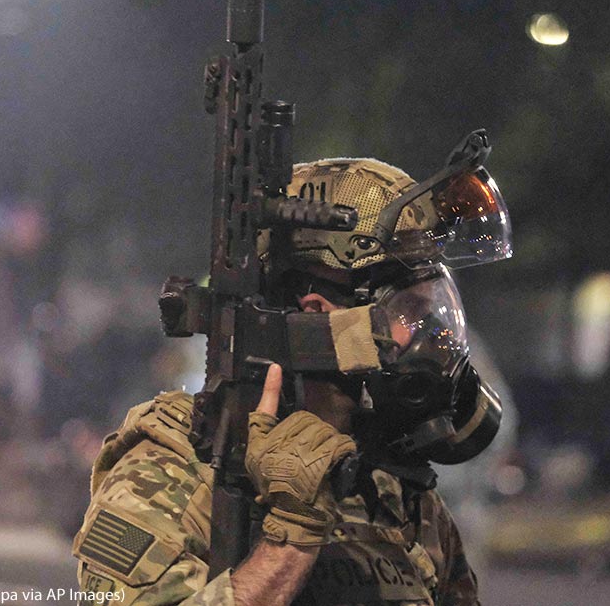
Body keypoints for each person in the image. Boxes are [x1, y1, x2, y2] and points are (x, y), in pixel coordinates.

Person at [73, 157, 513, 605]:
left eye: (433, 308)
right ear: (317, 315)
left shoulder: (395, 490)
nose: (429, 335)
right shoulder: (171, 472)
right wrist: (290, 538)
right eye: (409, 312)